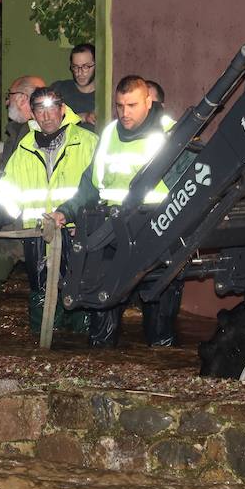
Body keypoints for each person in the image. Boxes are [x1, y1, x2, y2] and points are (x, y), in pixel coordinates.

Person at [55, 74, 184, 347]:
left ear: (149, 101)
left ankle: (160, 357)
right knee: (103, 305)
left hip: (157, 227)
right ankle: (101, 360)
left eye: (132, 105)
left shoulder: (171, 135)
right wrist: (67, 211)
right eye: (120, 106)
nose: (125, 113)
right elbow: (90, 184)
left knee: (159, 306)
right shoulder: (110, 133)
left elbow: (190, 185)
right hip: (110, 230)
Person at [0, 87, 97, 335]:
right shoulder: (24, 150)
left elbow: (98, 190)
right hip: (37, 242)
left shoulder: (88, 143)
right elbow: (7, 196)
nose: (47, 117)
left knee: (82, 320)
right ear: (33, 115)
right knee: (43, 319)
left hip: (78, 239)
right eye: (40, 110)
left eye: (51, 109)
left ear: (62, 109)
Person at [0, 74, 46, 171]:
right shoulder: (48, 130)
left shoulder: (27, 135)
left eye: (9, 95)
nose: (7, 102)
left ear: (21, 99)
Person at [50, 43, 97, 128]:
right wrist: (84, 117)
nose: (80, 72)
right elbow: (46, 122)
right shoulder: (58, 89)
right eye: (75, 67)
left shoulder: (106, 96)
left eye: (86, 67)